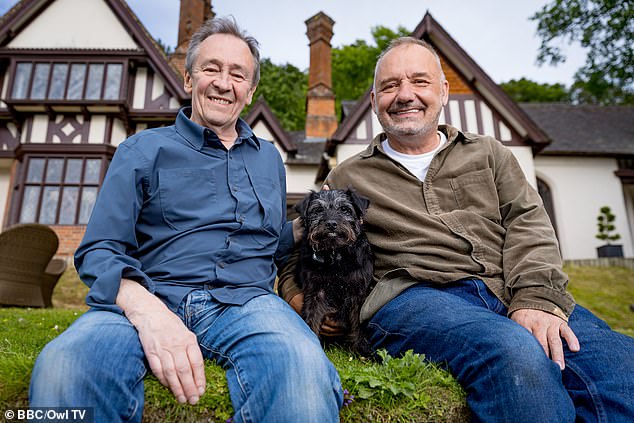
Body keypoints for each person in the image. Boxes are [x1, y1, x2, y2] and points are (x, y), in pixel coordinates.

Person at [278, 36, 634, 422]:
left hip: (506, 287)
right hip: (415, 298)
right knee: (511, 352)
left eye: (419, 81)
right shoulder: (348, 176)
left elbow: (528, 223)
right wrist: (297, 295)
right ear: (374, 99)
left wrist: (534, 297)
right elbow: (306, 241)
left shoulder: (489, 152)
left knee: (619, 365)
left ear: (444, 91)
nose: (405, 95)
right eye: (390, 85)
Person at [30, 17, 343, 423]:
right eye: (211, 68)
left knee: (302, 368)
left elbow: (269, 241)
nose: (223, 82)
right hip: (150, 294)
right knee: (64, 366)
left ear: (249, 92)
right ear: (189, 79)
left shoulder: (270, 160)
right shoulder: (142, 149)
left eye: (237, 74)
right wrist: (146, 310)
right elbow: (99, 249)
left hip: (248, 304)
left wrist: (314, 228)